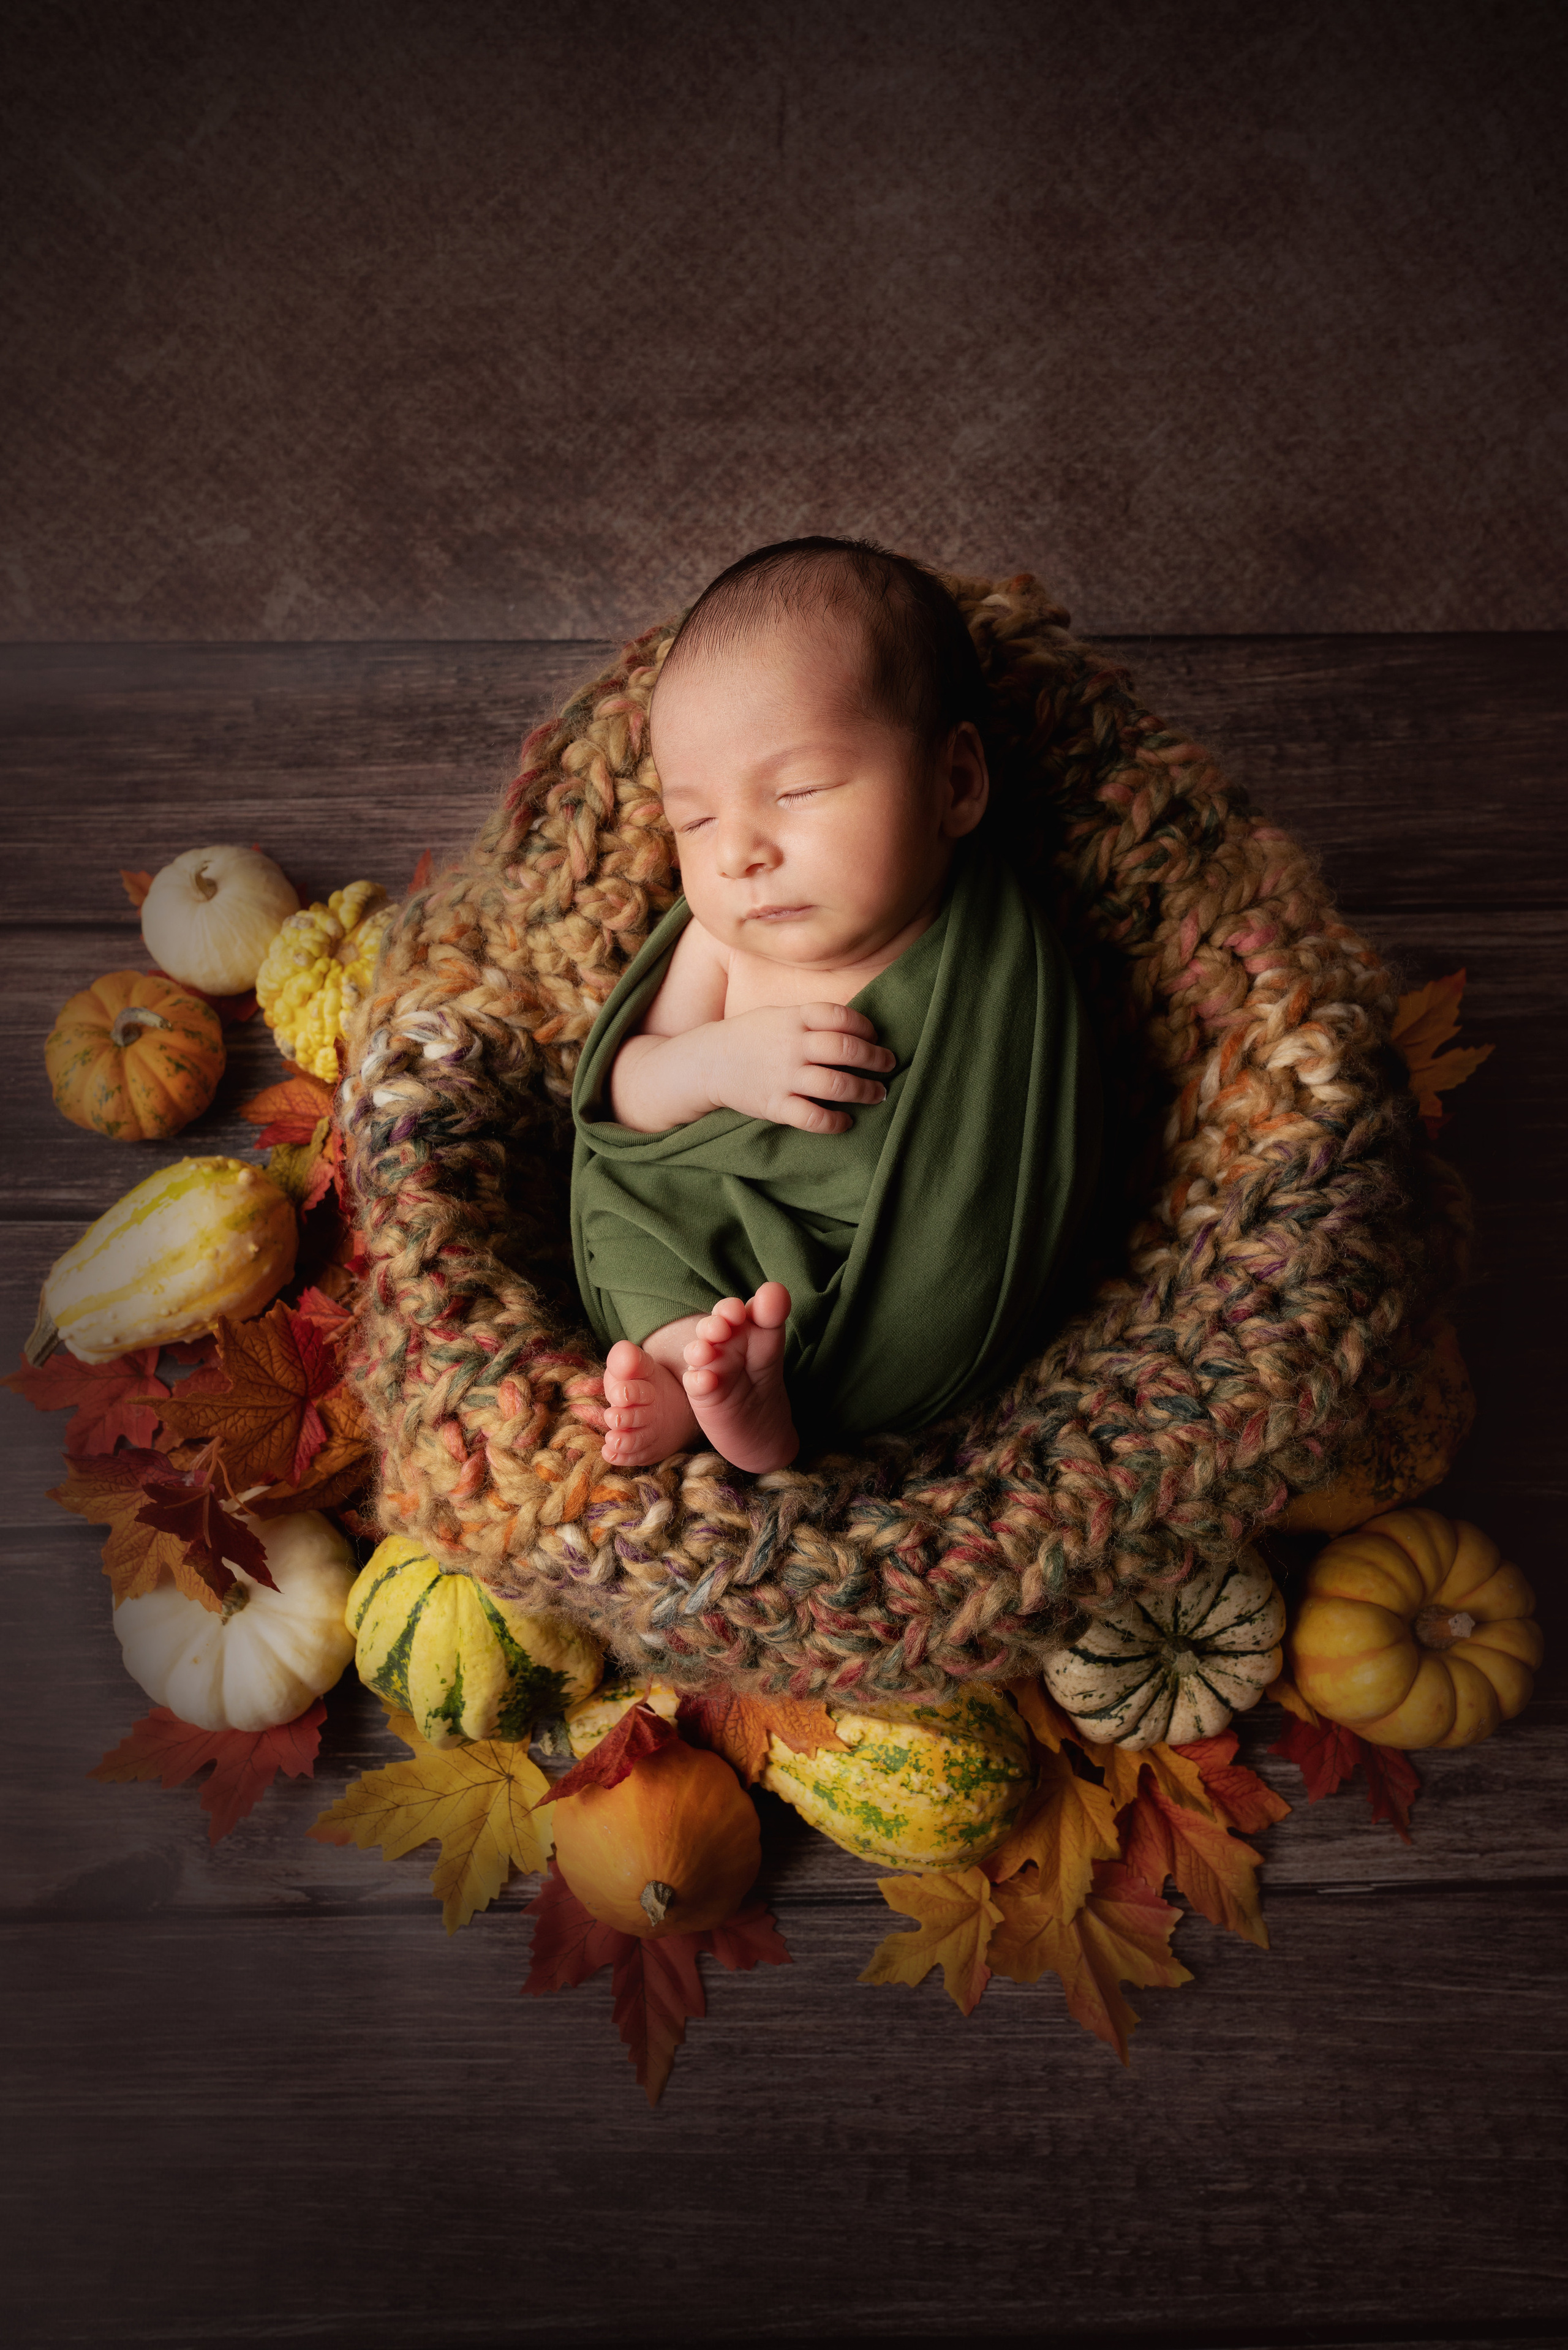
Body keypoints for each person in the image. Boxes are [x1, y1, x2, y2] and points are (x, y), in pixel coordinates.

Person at [570, 537, 1099, 1474]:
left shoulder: (995, 961)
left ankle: (769, 1395)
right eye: (694, 819)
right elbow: (627, 1101)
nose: (737, 853)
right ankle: (683, 1368)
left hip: (893, 1282)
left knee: (925, 1283)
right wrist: (719, 1063)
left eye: (798, 790)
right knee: (635, 1228)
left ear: (957, 782)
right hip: (706, 1218)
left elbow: (1026, 1167)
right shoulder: (721, 939)